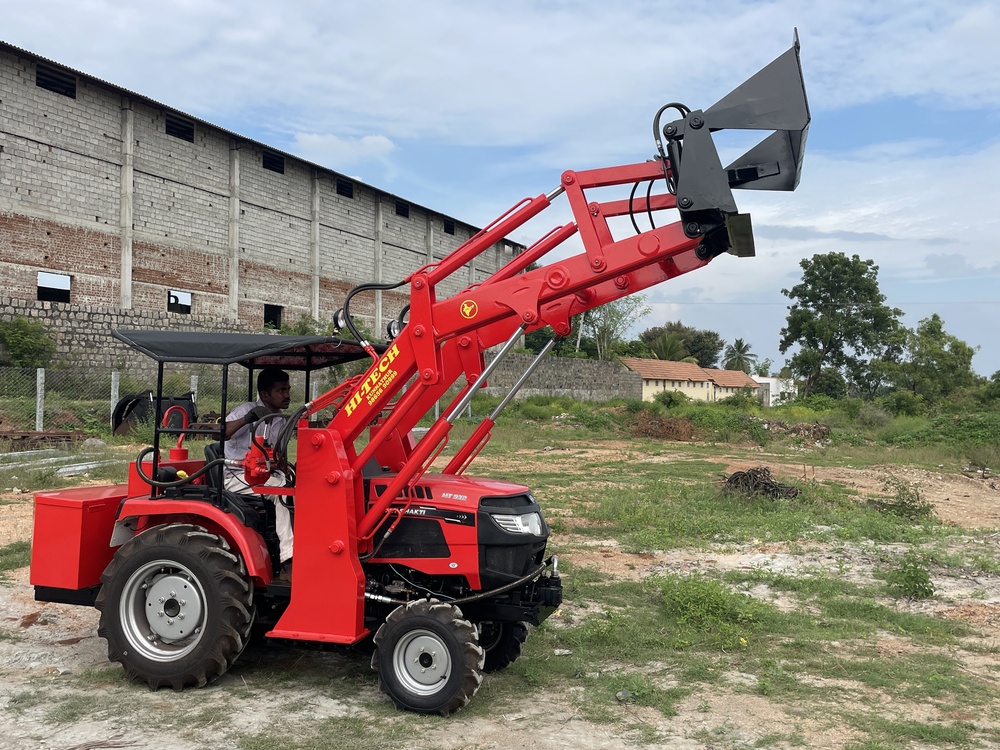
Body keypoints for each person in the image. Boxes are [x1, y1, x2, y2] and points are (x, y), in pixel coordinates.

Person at [223, 367, 293, 579]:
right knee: (281, 490)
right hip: (236, 476)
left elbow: (279, 456)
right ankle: (289, 559)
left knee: (299, 484)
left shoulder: (280, 419)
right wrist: (247, 419)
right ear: (265, 395)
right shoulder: (247, 410)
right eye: (281, 390)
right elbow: (223, 432)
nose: (287, 395)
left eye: (288, 389)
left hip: (264, 473)